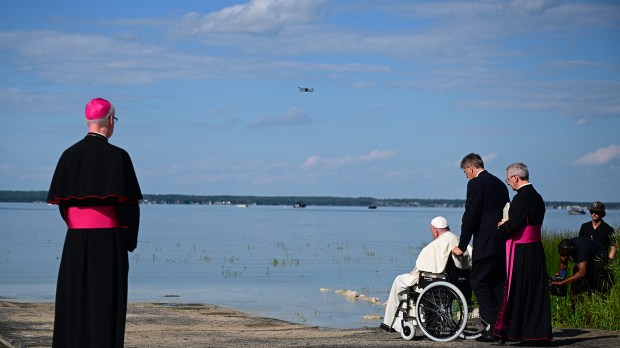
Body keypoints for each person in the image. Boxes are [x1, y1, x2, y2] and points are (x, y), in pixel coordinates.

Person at [47, 98, 142, 348]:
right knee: (105, 303)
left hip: (75, 241)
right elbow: (129, 208)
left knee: (73, 301)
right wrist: (127, 241)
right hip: (109, 241)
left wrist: (78, 225)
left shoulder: (68, 155)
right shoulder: (118, 156)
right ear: (110, 120)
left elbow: (63, 206)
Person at [380, 216, 472, 333]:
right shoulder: (459, 241)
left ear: (435, 231)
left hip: (437, 282)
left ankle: (391, 323)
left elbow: (420, 269)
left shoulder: (434, 246)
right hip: (458, 283)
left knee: (400, 281)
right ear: (447, 228)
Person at [493, 162, 552, 343]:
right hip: (536, 249)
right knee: (535, 291)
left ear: (515, 178)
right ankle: (537, 333)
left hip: (521, 251)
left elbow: (513, 225)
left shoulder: (521, 198)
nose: (509, 183)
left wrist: (501, 228)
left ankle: (520, 332)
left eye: (508, 179)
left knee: (520, 290)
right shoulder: (538, 197)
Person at [452, 153, 509, 333]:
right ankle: (503, 324)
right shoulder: (500, 184)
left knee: (477, 281)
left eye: (465, 172)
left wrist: (462, 245)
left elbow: (470, 216)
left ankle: (493, 325)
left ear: (470, 167)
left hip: (486, 241)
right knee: (498, 284)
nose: (466, 176)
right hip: (502, 240)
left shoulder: (475, 183)